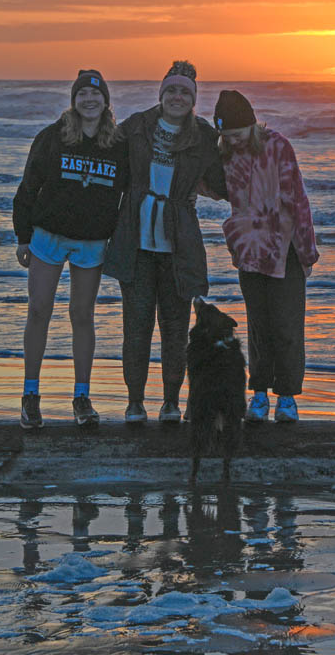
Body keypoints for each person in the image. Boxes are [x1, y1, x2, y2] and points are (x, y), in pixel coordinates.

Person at [103, 60, 227, 423]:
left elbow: (222, 185)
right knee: (136, 326)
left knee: (175, 330)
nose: (177, 96)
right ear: (161, 94)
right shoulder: (137, 126)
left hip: (180, 244)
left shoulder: (204, 135)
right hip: (135, 243)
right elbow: (106, 160)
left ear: (193, 99)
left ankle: (171, 402)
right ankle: (135, 402)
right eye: (171, 90)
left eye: (184, 92)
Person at [13, 69, 128, 430]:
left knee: (82, 315)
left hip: (92, 241)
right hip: (49, 236)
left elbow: (129, 194)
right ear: (74, 101)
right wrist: (22, 236)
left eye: (96, 93)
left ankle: (81, 397)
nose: (89, 99)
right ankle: (30, 396)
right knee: (39, 310)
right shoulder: (52, 138)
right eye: (82, 94)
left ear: (106, 101)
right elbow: (28, 187)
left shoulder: (119, 145)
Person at [214, 89, 319, 423]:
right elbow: (209, 185)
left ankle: (286, 397)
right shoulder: (225, 153)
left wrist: (306, 251)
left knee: (287, 325)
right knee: (259, 326)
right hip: (247, 252)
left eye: (236, 134)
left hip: (283, 249)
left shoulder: (277, 146)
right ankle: (258, 394)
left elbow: (297, 199)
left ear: (251, 125)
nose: (232, 141)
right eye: (225, 136)